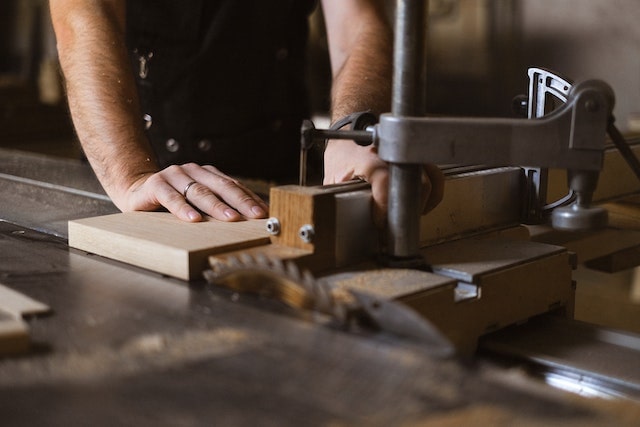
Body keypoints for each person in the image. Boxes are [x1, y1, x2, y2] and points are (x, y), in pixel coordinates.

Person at [50, 0, 443, 226]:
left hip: (280, 173)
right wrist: (130, 174)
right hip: (141, 177)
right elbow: (83, 16)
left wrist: (356, 130)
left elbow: (358, 23)